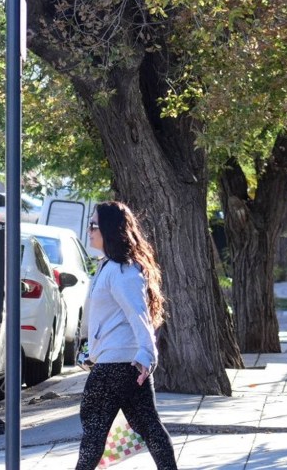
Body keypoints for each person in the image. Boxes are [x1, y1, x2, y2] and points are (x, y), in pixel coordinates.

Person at [75, 201, 177, 470]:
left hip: (116, 365)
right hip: (124, 362)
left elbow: (138, 315)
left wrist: (147, 354)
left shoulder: (123, 271)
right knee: (149, 427)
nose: (89, 230)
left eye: (93, 225)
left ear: (109, 229)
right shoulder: (111, 266)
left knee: (94, 429)